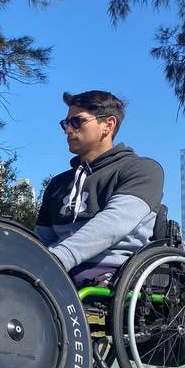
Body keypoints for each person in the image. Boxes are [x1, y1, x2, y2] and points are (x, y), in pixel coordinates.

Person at [35, 90, 165, 287]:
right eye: (66, 123)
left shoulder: (143, 169)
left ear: (108, 124)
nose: (68, 130)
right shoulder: (57, 184)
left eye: (77, 122)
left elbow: (113, 224)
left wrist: (59, 257)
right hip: (59, 268)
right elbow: (43, 239)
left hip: (115, 270)